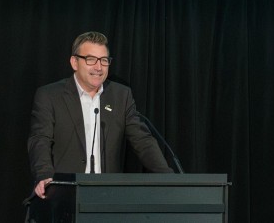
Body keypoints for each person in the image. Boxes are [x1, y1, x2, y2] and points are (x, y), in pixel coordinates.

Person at [27, 31, 172, 199]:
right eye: (91, 59)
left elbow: (142, 141)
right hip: (63, 193)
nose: (98, 67)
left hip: (108, 197)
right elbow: (40, 139)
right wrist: (44, 174)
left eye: (104, 60)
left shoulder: (120, 95)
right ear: (74, 62)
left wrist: (168, 178)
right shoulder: (50, 95)